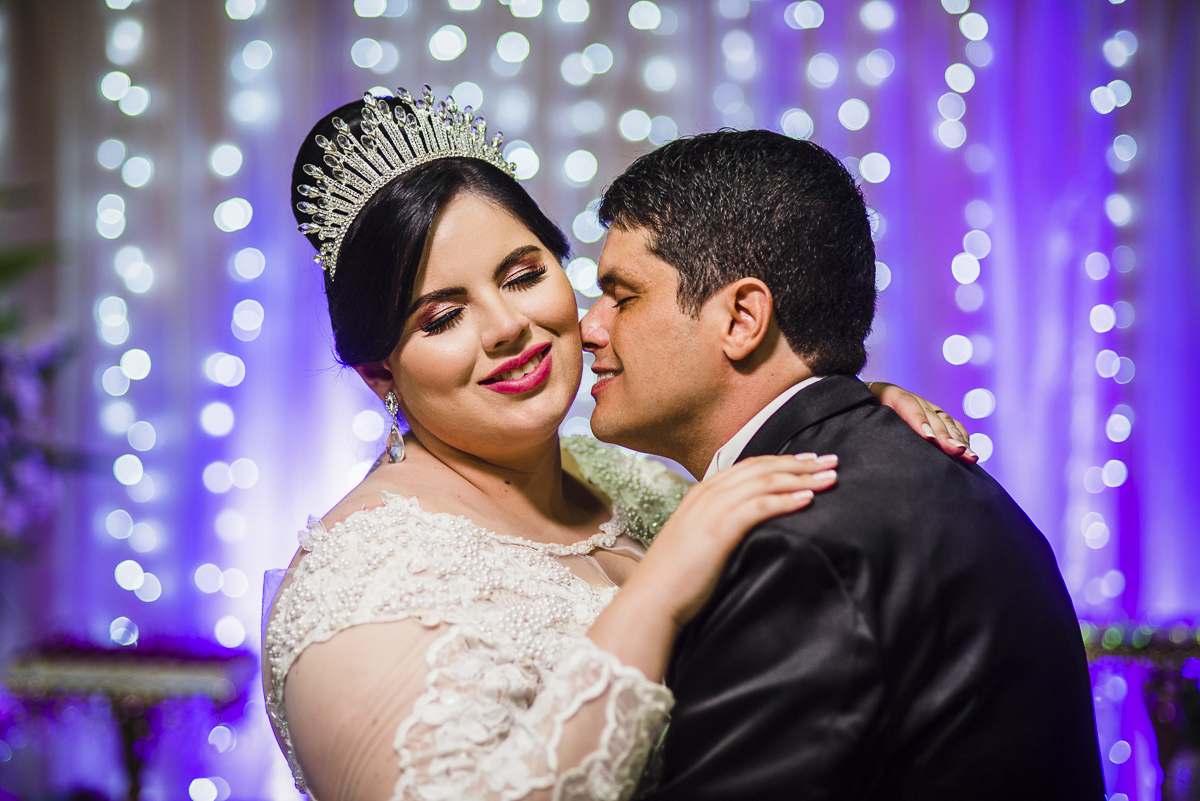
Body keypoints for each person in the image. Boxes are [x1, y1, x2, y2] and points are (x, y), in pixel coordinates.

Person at [263, 89, 975, 801]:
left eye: (523, 274)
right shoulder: (360, 582)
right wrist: (655, 597)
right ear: (380, 372)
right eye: (444, 316)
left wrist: (837, 407)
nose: (507, 325)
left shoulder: (634, 484)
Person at [579, 129, 1106, 800]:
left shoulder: (794, 541)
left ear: (742, 317)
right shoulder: (907, 464)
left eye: (622, 296)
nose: (591, 327)